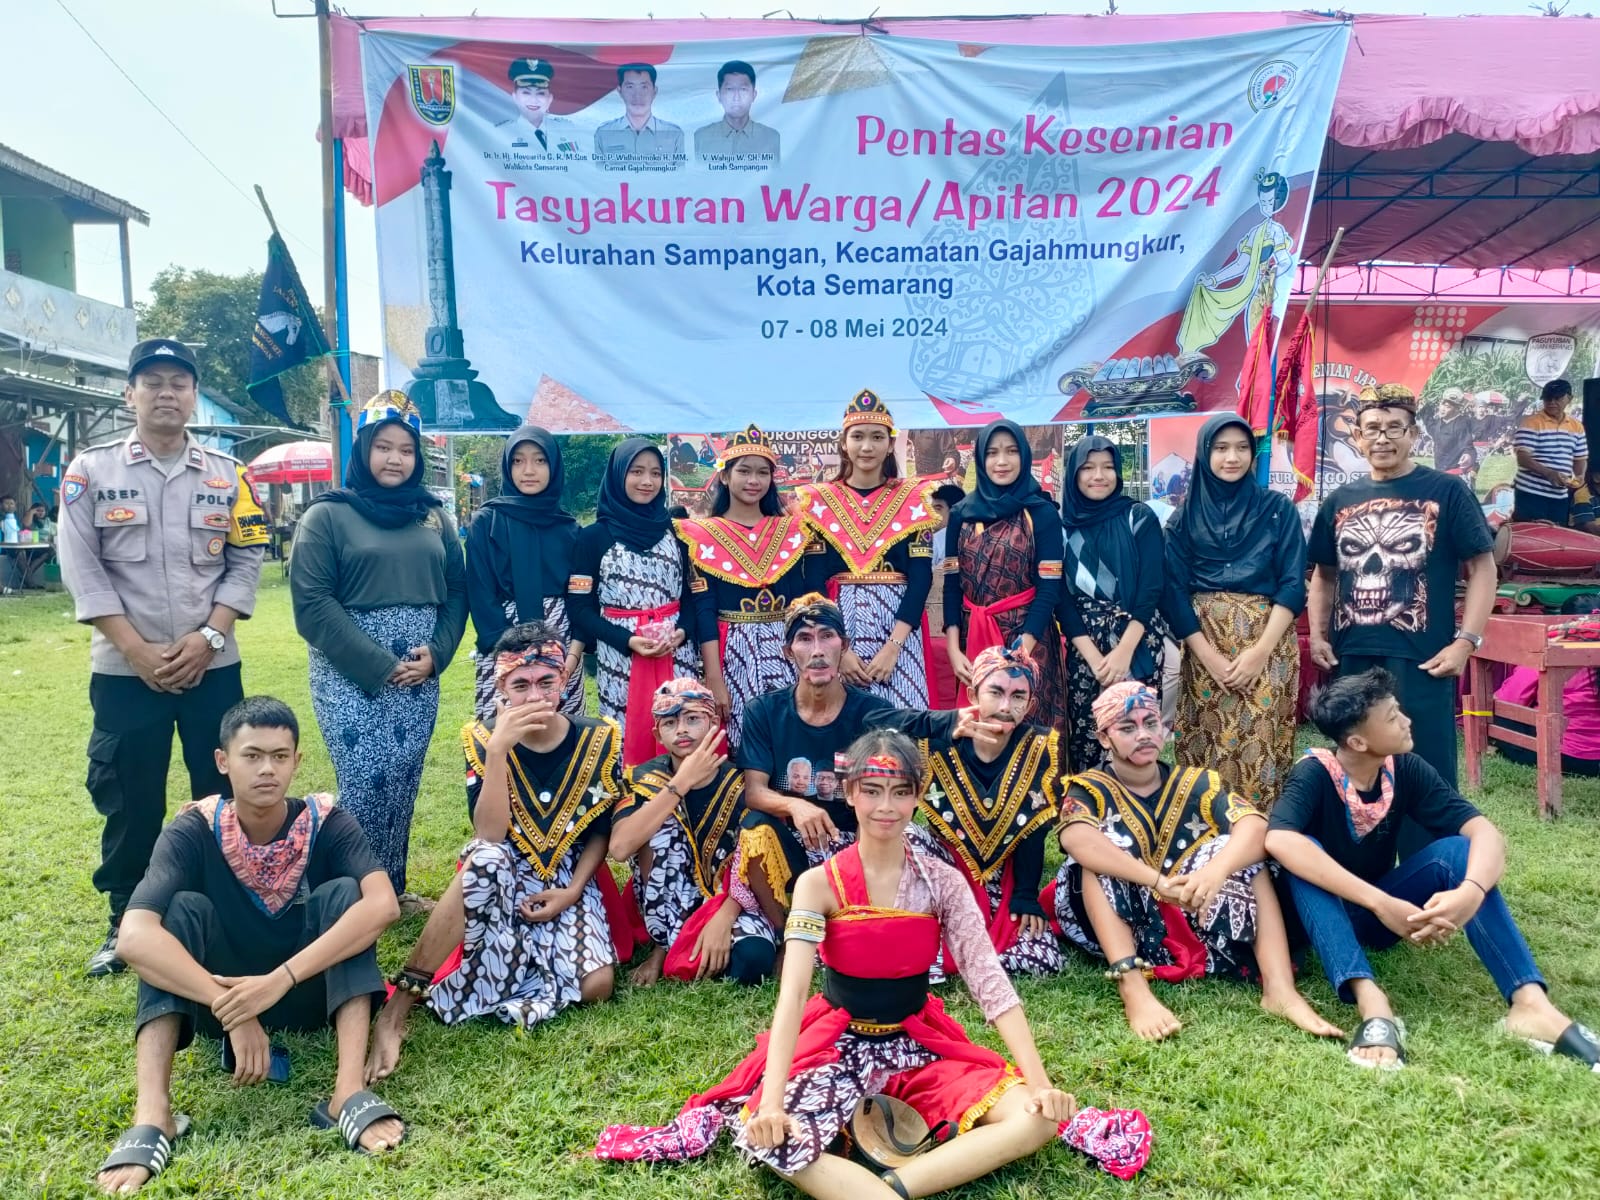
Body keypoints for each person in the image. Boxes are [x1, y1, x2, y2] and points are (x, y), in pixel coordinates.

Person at [595, 730, 1100, 1199]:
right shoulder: (819, 883)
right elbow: (793, 993)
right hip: (836, 1044)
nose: (886, 806)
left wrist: (1040, 1083)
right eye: (872, 790)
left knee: (1037, 1119)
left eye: (900, 792)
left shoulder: (942, 882)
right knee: (772, 1137)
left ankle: (893, 1188)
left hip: (918, 1042)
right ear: (851, 793)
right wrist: (771, 1102)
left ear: (917, 797)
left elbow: (989, 982)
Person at [94, 697, 405, 1194]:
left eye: (280, 756)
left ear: (297, 761)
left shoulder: (327, 822)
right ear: (223, 761)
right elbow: (133, 937)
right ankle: (153, 1113)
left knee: (347, 897)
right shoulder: (193, 828)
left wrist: (278, 981)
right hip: (215, 1003)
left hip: (311, 994)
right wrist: (234, 1008)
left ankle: (347, 1091)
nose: (267, 769)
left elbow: (384, 905)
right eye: (252, 755)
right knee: (179, 911)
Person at [1265, 669, 1599, 1072]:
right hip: (1319, 919)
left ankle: (1530, 1003)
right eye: (1392, 717)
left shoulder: (1404, 769)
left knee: (1458, 851)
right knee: (1304, 856)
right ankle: (1372, 1002)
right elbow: (1279, 839)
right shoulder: (1315, 773)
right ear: (1357, 742)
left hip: (1378, 918)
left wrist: (1470, 892)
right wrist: (1381, 902)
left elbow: (1484, 833)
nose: (1406, 720)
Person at [58, 337, 268, 977]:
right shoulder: (91, 472)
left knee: (223, 789)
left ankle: (225, 907)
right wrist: (136, 650)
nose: (167, 392)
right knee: (130, 795)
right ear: (130, 394)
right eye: (153, 382)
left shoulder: (230, 475)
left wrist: (209, 637)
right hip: (125, 671)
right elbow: (82, 567)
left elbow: (247, 559)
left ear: (194, 394)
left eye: (179, 382)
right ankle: (126, 920)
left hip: (213, 665)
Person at [364, 623, 621, 1082]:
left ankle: (510, 969)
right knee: (483, 858)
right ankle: (399, 1005)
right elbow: (489, 833)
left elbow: (600, 831)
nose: (535, 696)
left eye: (546, 681)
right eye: (520, 685)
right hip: (503, 864)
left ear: (565, 680)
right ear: (501, 687)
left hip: (569, 872)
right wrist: (500, 750)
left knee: (597, 986)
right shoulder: (482, 739)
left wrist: (572, 891)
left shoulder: (599, 737)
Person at [1052, 681, 1340, 1046]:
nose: (1143, 735)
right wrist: (1156, 881)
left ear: (1163, 728)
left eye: (1150, 723)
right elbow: (1076, 839)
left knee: (1240, 853)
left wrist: (1214, 872)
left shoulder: (1198, 782)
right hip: (1124, 923)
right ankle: (1134, 989)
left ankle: (1279, 988)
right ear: (1104, 738)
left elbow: (1255, 828)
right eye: (1127, 728)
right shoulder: (1087, 787)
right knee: (1095, 859)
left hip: (1197, 913)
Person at [290, 391, 468, 905]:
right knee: (365, 783)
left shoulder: (432, 517)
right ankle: (346, 896)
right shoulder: (327, 516)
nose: (395, 459)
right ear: (363, 449)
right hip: (351, 671)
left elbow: (457, 590)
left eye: (406, 450)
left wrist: (438, 654)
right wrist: (380, 664)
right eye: (384, 447)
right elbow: (313, 604)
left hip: (419, 673)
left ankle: (393, 888)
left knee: (402, 780)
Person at [1307, 383, 1495, 812]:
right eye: (1372, 428)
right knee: (1356, 765)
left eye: (1394, 428)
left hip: (1424, 657)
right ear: (1357, 437)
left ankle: (1430, 852)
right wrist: (1317, 635)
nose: (1383, 438)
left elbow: (1483, 568)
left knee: (1424, 769)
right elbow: (1324, 574)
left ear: (1413, 434)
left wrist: (1466, 641)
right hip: (1352, 655)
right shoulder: (1339, 500)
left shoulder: (1447, 492)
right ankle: (1359, 849)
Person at [733, 594, 965, 938]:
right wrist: (796, 806)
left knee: (904, 837)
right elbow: (754, 792)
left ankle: (860, 912)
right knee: (754, 828)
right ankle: (783, 931)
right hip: (794, 843)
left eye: (827, 636)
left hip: (854, 843)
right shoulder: (764, 711)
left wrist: (971, 718)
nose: (817, 650)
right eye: (804, 639)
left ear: (843, 646)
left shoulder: (867, 710)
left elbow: (917, 721)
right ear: (788, 652)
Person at [1164, 414, 1307, 809]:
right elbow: (1173, 591)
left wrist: (1260, 652)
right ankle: (1205, 831)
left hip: (1267, 642)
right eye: (1221, 448)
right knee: (1208, 738)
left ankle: (1261, 833)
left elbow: (1293, 585)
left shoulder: (1277, 510)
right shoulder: (1183, 518)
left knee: (1260, 739)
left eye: (1242, 448)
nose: (1233, 457)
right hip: (1206, 643)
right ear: (1204, 453)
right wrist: (1208, 657)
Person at [611, 678, 776, 987]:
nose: (682, 730)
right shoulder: (642, 779)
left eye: (692, 719)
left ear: (713, 723)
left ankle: (689, 945)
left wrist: (724, 916)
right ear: (657, 734)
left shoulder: (739, 782)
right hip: (668, 903)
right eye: (670, 722)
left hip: (731, 899)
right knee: (662, 826)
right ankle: (663, 947)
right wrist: (681, 782)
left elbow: (749, 865)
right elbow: (619, 849)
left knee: (753, 961)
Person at [913, 645, 1063, 978]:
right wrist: (937, 723)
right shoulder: (935, 741)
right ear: (972, 695)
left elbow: (1034, 827)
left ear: (1030, 705)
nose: (1006, 706)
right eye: (995, 692)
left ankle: (975, 956)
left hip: (1003, 879)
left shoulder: (1039, 747)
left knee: (1043, 959)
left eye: (1018, 696)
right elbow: (870, 722)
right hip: (944, 874)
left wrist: (1025, 894)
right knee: (907, 836)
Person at [569, 437, 708, 766]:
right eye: (636, 472)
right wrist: (627, 640)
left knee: (682, 726)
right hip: (620, 658)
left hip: (676, 651)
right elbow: (580, 608)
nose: (647, 481)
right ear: (618, 475)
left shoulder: (678, 533)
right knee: (626, 736)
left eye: (655, 473)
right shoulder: (592, 538)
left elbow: (692, 596)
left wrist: (682, 632)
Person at [795, 389, 939, 707]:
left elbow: (920, 579)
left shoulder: (913, 499)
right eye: (858, 436)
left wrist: (893, 647)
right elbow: (813, 581)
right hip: (837, 625)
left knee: (902, 719)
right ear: (844, 444)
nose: (867, 446)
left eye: (877, 437)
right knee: (840, 718)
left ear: (890, 444)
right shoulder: (818, 502)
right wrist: (839, 649)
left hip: (899, 629)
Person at [677, 424, 807, 748]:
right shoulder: (701, 535)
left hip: (786, 646)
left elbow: (802, 600)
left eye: (763, 473)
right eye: (744, 471)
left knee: (792, 735)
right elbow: (705, 610)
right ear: (724, 476)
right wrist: (714, 677)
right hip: (734, 650)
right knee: (741, 739)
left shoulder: (792, 531)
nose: (754, 480)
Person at [942, 419, 1066, 732]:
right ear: (980, 459)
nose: (1002, 461)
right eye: (992, 453)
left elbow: (1049, 589)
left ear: (1024, 456)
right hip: (973, 640)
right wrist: (954, 650)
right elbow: (952, 586)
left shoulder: (1041, 513)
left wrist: (1022, 651)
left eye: (1011, 451)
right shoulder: (961, 514)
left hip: (1029, 640)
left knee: (1030, 734)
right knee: (977, 732)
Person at [1057, 435, 1167, 772]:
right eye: (1088, 468)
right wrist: (1094, 658)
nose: (1099, 476)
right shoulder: (1062, 528)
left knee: (1137, 729)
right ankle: (1091, 799)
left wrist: (1123, 652)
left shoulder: (1138, 517)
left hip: (1137, 637)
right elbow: (1062, 599)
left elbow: (1151, 587)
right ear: (1074, 475)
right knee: (1090, 733)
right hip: (1085, 645)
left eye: (1107, 467)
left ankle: (1141, 797)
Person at [464, 425, 583, 723]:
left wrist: (563, 652)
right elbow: (480, 594)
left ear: (554, 466)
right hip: (502, 638)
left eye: (540, 460)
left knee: (561, 731)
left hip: (559, 639)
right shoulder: (486, 522)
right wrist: (511, 651)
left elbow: (579, 598)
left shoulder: (569, 528)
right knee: (505, 732)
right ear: (507, 467)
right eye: (518, 461)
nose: (528, 470)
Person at [1490, 666, 1600, 776]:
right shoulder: (1592, 661)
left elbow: (1509, 700)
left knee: (1495, 715)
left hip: (1561, 756)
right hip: (1595, 761)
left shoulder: (1542, 659)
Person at [1512, 379, 1586, 525]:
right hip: (1530, 494)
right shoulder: (1531, 422)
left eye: (1557, 398)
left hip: (1560, 496)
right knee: (1531, 533)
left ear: (1569, 398)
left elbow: (1580, 458)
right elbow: (1523, 458)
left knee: (1557, 535)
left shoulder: (1577, 426)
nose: (1552, 402)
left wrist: (1579, 476)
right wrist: (1548, 473)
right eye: (1547, 398)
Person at [593, 63, 683, 165]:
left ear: (654, 91)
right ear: (620, 91)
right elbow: (596, 174)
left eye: (644, 87)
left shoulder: (674, 134)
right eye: (630, 87)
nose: (637, 95)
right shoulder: (603, 134)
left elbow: (682, 174)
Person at [693, 60, 780, 164]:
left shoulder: (771, 138)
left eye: (743, 89)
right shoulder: (701, 137)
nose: (736, 98)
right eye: (729, 89)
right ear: (719, 96)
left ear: (754, 95)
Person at [494, 57, 574, 156]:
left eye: (540, 93)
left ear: (550, 99)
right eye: (526, 93)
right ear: (515, 97)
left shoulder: (568, 131)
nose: (533, 100)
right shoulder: (500, 133)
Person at [1428, 388, 1476, 473]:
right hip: (1439, 469)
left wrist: (1468, 455)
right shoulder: (1438, 422)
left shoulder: (1461, 424)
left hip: (1454, 471)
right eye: (1442, 405)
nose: (1443, 409)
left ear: (1456, 409)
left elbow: (1468, 446)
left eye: (1448, 407)